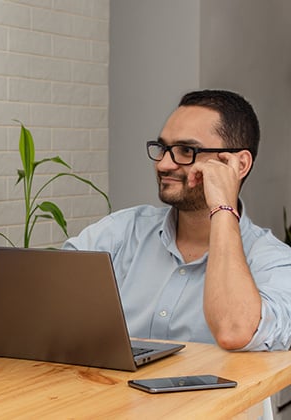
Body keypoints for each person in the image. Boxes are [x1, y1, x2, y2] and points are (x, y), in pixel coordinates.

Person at [64, 89, 291, 352]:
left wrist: (222, 207)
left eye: (186, 150)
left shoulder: (274, 262)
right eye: (162, 148)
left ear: (239, 164)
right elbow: (47, 302)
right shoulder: (121, 233)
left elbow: (235, 331)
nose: (163, 164)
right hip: (112, 393)